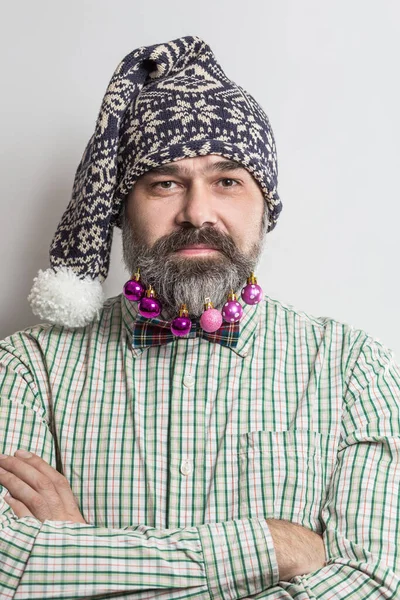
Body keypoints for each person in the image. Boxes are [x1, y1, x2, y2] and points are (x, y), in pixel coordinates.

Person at [0, 34, 399, 599]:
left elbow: (375, 582)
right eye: (164, 182)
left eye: (228, 181)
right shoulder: (27, 367)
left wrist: (80, 554)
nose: (196, 212)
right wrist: (271, 546)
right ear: (122, 205)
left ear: (266, 207)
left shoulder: (352, 369)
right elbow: (5, 567)